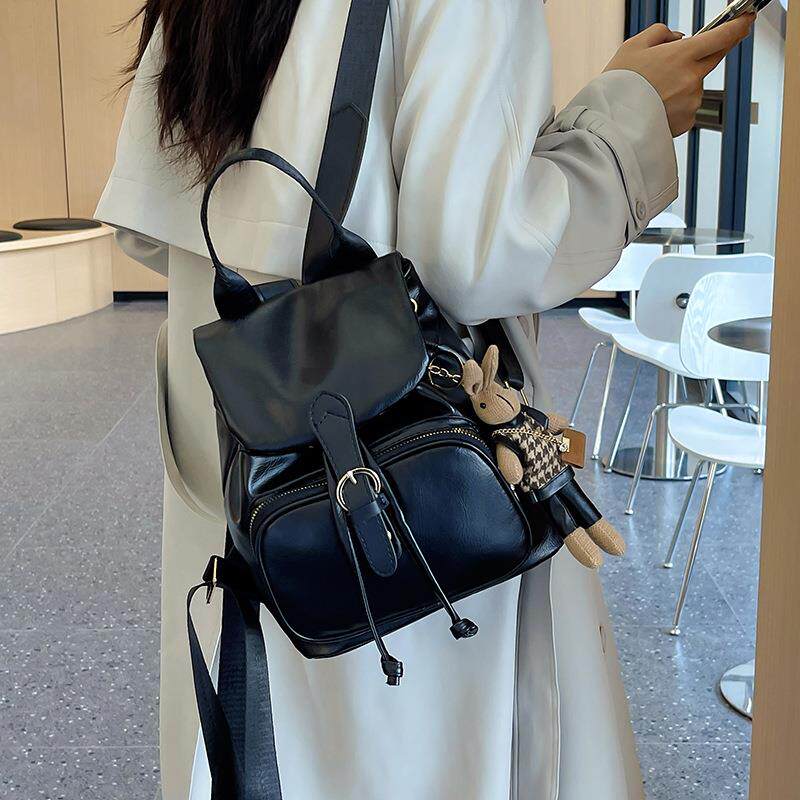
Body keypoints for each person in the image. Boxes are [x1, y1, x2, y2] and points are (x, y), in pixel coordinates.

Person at [97, 2, 754, 797]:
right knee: (423, 750)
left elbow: (154, 214)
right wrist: (627, 117)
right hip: (404, 482)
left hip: (243, 439)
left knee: (265, 743)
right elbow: (484, 257)